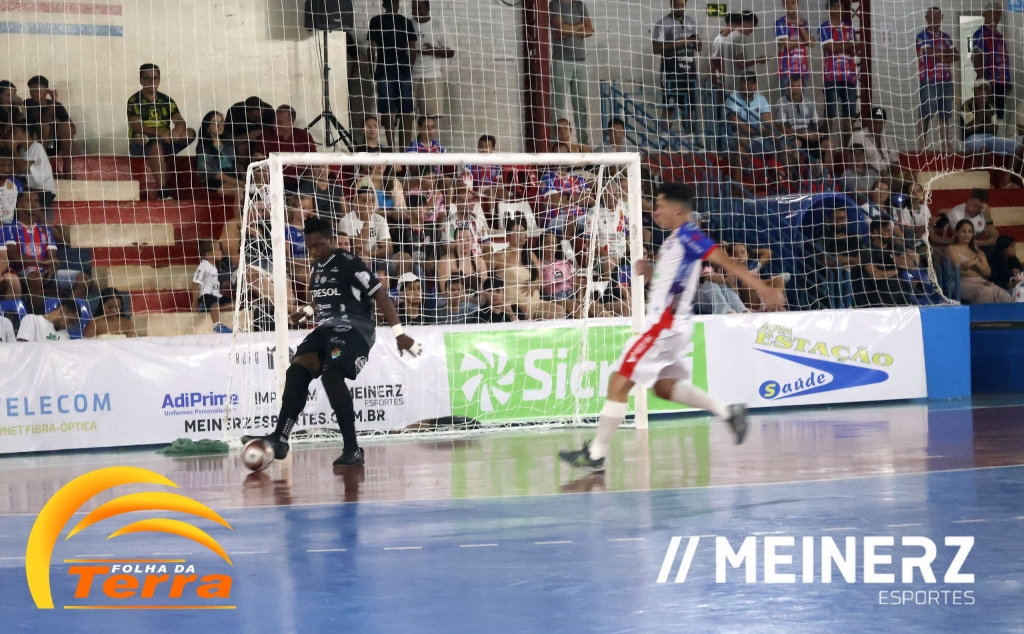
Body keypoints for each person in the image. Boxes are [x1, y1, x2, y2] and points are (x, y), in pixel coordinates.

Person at [558, 182, 785, 471]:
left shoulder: (689, 234)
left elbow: (723, 260)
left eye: (660, 206)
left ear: (677, 209)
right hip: (672, 324)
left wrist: (763, 288)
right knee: (664, 388)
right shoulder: (673, 241)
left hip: (664, 325)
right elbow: (674, 282)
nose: (655, 212)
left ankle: (597, 454)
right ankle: (728, 412)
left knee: (619, 380)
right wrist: (650, 272)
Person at [241, 216, 421, 467]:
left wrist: (398, 333)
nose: (314, 251)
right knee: (297, 369)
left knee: (332, 374)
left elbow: (379, 293)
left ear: (331, 240)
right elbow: (323, 298)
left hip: (355, 329)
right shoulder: (316, 267)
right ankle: (280, 438)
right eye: (310, 247)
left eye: (318, 245)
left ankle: (352, 449)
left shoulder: (349, 263)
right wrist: (307, 311)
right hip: (327, 328)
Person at [127, 64, 196, 199]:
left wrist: (176, 131)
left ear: (159, 80)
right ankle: (163, 191)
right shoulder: (134, 100)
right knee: (152, 142)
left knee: (190, 133)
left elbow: (180, 121)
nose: (152, 81)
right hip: (142, 143)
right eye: (147, 78)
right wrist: (159, 132)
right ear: (141, 80)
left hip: (165, 139)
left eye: (155, 78)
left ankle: (164, 144)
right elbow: (136, 125)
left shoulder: (166, 100)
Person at [368, 0, 419, 149]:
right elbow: (413, 49)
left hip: (384, 69)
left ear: (384, 5)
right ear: (397, 5)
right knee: (406, 110)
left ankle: (391, 147)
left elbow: (371, 48)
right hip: (403, 70)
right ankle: (405, 147)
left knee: (387, 110)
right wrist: (409, 67)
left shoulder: (376, 21)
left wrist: (372, 69)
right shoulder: (405, 22)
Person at [549, 0, 594, 146]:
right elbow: (560, 29)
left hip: (580, 60)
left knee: (580, 104)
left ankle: (583, 142)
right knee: (558, 103)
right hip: (562, 60)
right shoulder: (555, 4)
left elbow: (590, 30)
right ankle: (554, 143)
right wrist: (580, 25)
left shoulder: (580, 5)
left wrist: (569, 29)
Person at [652, 0, 701, 134]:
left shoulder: (691, 21)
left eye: (682, 5)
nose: (679, 8)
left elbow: (698, 46)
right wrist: (677, 44)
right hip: (671, 71)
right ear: (671, 4)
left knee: (689, 107)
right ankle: (664, 140)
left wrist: (697, 41)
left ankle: (691, 139)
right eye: (676, 5)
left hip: (689, 71)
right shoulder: (663, 23)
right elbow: (655, 48)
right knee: (670, 107)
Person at [916, 7, 957, 151]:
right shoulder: (922, 36)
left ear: (942, 18)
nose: (935, 20)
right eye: (932, 17)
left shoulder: (946, 37)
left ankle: (945, 143)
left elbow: (956, 56)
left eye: (938, 17)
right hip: (929, 79)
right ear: (927, 18)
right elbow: (931, 53)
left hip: (945, 79)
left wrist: (940, 55)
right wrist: (946, 54)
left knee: (944, 113)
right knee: (926, 111)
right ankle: (922, 144)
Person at [946, 218, 1011, 304]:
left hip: (981, 281)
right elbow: (961, 270)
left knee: (1003, 295)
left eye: (970, 231)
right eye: (963, 231)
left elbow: (987, 272)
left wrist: (975, 263)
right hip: (960, 282)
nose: (967, 234)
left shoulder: (976, 250)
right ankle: (981, 313)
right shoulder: (951, 249)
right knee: (986, 291)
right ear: (956, 233)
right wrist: (980, 273)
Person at [819, 0, 858, 139]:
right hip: (832, 76)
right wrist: (847, 45)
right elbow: (830, 48)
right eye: (834, 6)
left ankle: (848, 148)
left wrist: (845, 46)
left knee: (849, 114)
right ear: (828, 8)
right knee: (830, 112)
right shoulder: (824, 27)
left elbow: (855, 48)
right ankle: (826, 144)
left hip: (849, 75)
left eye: (839, 6)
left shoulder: (849, 27)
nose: (838, 9)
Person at [24, 76, 76, 178]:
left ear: (46, 91)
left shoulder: (58, 106)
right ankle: (41, 167)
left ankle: (67, 168)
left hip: (54, 143)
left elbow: (73, 129)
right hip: (37, 144)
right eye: (31, 91)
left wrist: (58, 126)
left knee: (65, 127)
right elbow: (43, 120)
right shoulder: (29, 103)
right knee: (45, 127)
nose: (33, 94)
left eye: (37, 90)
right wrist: (52, 103)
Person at [411, 0, 453, 121]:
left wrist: (433, 50)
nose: (416, 12)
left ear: (428, 8)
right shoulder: (407, 24)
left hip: (431, 76)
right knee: (406, 116)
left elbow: (451, 52)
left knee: (430, 119)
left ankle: (427, 135)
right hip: (409, 76)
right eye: (413, 8)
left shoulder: (438, 25)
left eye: (419, 8)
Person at [971, 2, 1012, 122]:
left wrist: (1008, 80)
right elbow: (975, 57)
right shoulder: (979, 34)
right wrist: (983, 81)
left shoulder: (999, 36)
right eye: (994, 13)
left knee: (998, 115)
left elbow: (1004, 59)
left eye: (999, 14)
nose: (997, 16)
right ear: (985, 14)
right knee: (988, 114)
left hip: (1002, 83)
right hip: (989, 83)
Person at [195, 111, 242, 200]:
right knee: (240, 190)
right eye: (215, 122)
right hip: (215, 181)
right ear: (207, 127)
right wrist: (240, 182)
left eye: (221, 122)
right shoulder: (203, 147)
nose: (219, 125)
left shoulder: (229, 144)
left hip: (234, 177)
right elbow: (214, 174)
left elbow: (238, 165)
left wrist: (246, 179)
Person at [774, 73, 821, 155]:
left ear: (803, 87)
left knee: (829, 145)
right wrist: (802, 135)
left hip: (808, 136)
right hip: (791, 137)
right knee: (796, 143)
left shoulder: (809, 103)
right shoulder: (781, 102)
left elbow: (817, 124)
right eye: (792, 86)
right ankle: (796, 164)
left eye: (798, 86)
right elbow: (781, 127)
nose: (795, 89)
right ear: (787, 86)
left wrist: (817, 132)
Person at [192, 239, 232, 333]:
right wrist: (195, 301)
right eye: (218, 250)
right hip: (206, 295)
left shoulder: (213, 266)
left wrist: (222, 286)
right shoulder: (204, 266)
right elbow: (195, 283)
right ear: (208, 254)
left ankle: (207, 308)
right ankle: (217, 325)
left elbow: (212, 283)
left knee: (234, 303)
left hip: (216, 295)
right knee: (215, 303)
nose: (221, 251)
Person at [775, 0, 814, 89]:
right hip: (786, 70)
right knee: (787, 97)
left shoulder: (804, 23)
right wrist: (804, 40)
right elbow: (788, 45)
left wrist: (800, 26)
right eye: (787, 3)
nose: (790, 6)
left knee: (804, 97)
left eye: (793, 3)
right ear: (783, 5)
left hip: (803, 70)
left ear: (797, 4)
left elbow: (811, 43)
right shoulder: (780, 23)